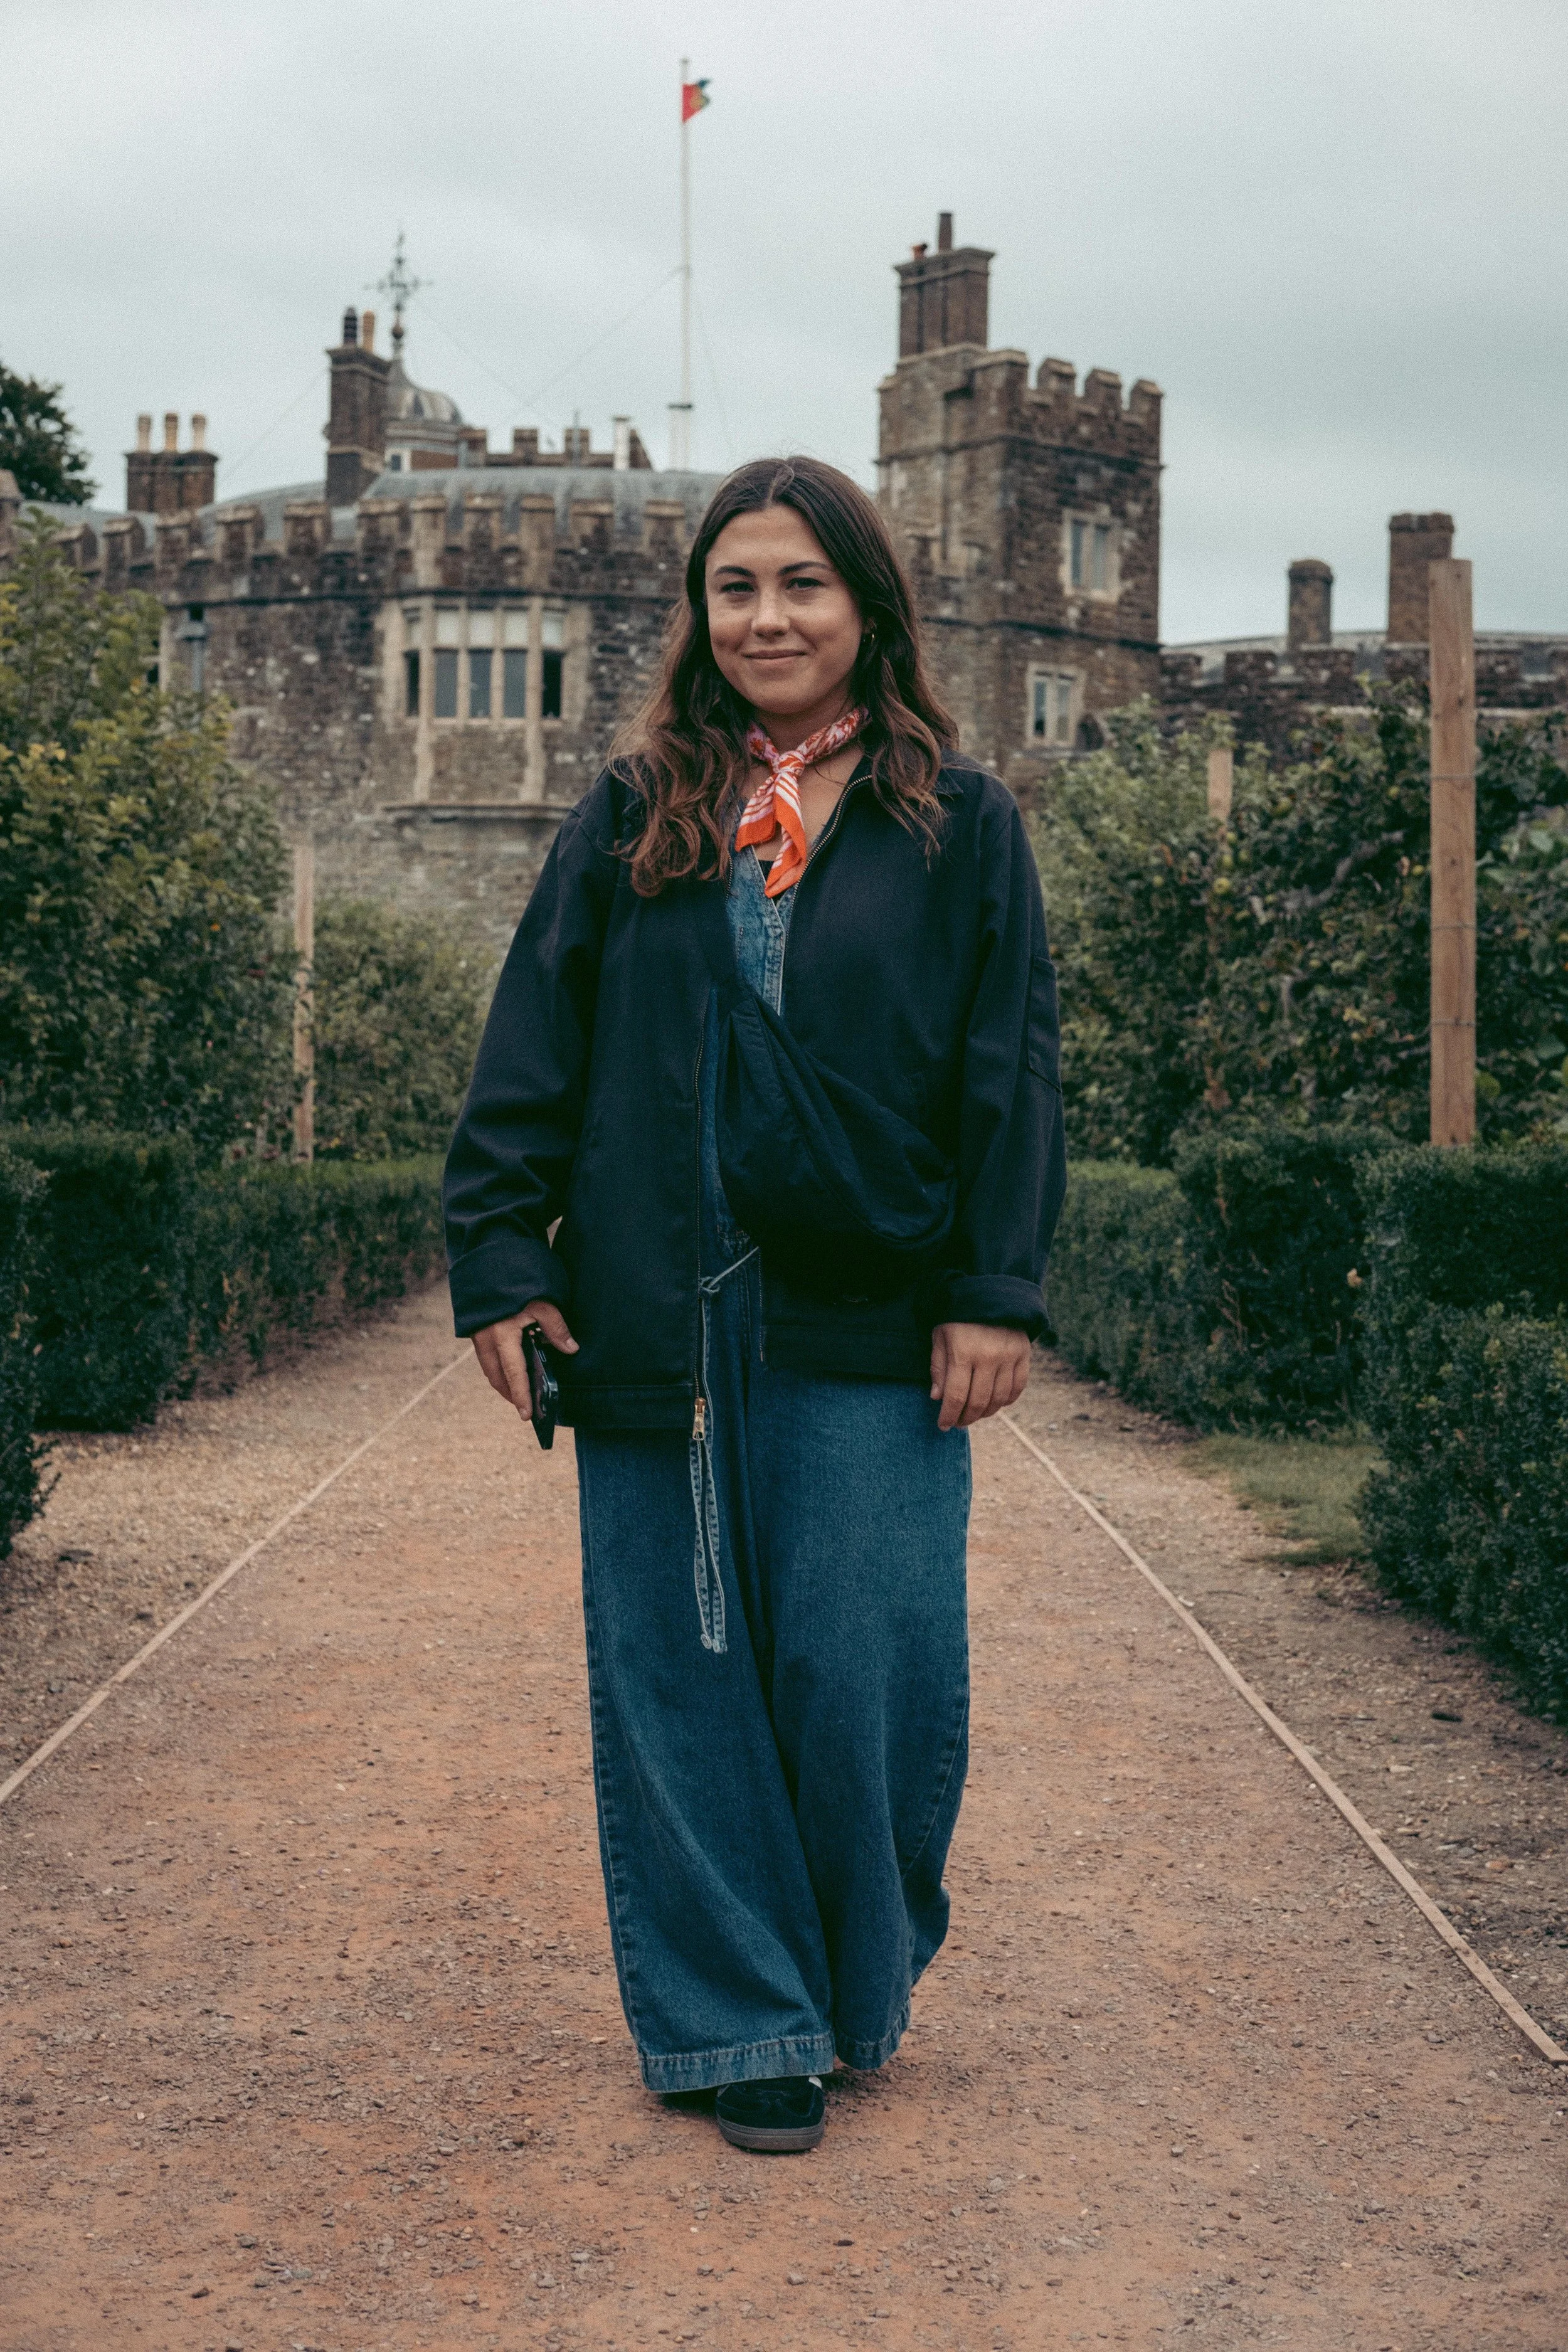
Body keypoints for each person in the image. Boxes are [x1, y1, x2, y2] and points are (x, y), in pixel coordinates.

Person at [443, 455, 1065, 2154]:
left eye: (801, 582)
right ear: (701, 615)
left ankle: (857, 1977)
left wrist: (993, 1290)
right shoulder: (637, 806)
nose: (767, 616)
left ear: (864, 604)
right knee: (680, 1667)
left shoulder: (959, 824)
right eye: (736, 586)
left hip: (865, 1311)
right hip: (654, 1309)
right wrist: (502, 1260)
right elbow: (531, 1053)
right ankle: (742, 2026)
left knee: (872, 1667)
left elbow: (1009, 1073)